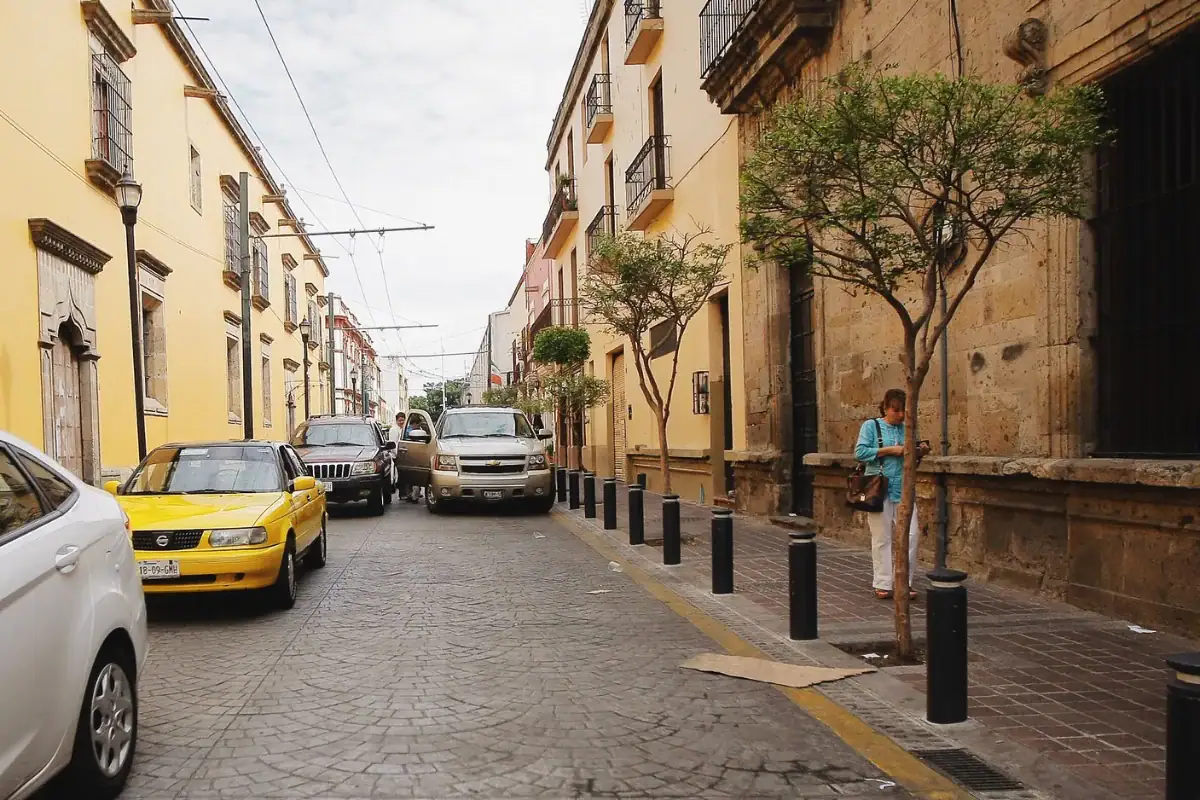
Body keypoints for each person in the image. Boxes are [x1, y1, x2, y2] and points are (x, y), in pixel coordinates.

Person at [854, 389, 930, 600]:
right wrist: (888, 450)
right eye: (895, 410)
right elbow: (859, 453)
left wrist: (919, 450)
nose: (899, 415)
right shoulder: (871, 426)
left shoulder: (907, 428)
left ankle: (904, 582)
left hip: (904, 489)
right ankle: (884, 583)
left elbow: (910, 457)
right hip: (880, 489)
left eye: (902, 411)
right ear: (886, 408)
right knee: (882, 537)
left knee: (912, 535)